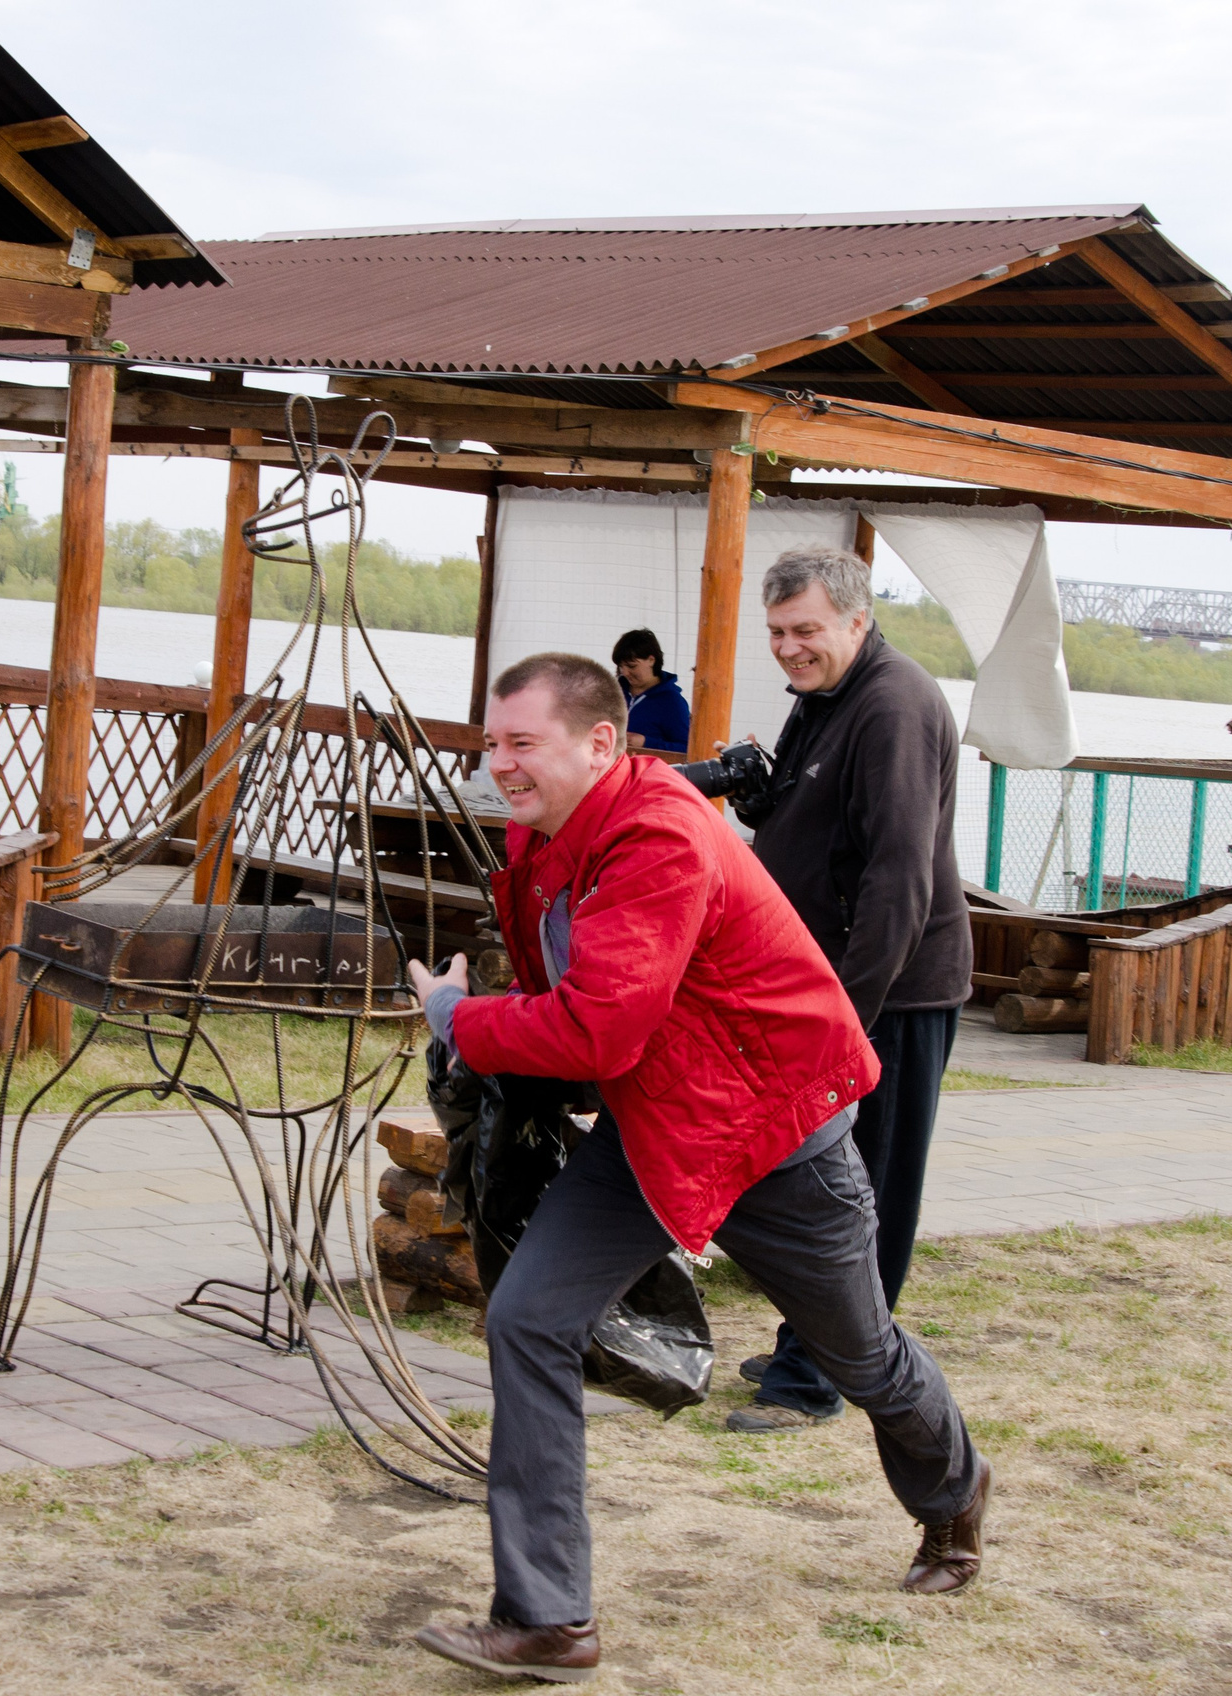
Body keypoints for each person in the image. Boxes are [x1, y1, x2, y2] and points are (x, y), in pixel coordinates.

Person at [404, 651, 988, 1685]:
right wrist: (484, 1028)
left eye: (519, 742)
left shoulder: (656, 832)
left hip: (768, 1133)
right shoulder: (543, 838)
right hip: (655, 1122)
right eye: (490, 743)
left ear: (598, 742)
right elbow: (583, 1004)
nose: (499, 763)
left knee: (858, 1355)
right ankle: (548, 1618)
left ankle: (952, 1494)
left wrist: (463, 1020)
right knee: (528, 1315)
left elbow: (595, 1024)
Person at [725, 547, 974, 1434]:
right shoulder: (825, 697)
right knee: (817, 1180)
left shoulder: (893, 706)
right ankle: (810, 1340)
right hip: (825, 989)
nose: (789, 649)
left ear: (858, 621)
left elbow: (898, 882)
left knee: (867, 1189)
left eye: (806, 632)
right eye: (778, 633)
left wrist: (846, 1024)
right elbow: (823, 831)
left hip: (890, 998)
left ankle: (818, 1379)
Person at [609, 628, 689, 753]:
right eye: (621, 666)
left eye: (631, 666)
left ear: (651, 660)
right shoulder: (613, 692)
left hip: (649, 770)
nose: (625, 672)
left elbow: (686, 749)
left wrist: (646, 742)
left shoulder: (672, 702)